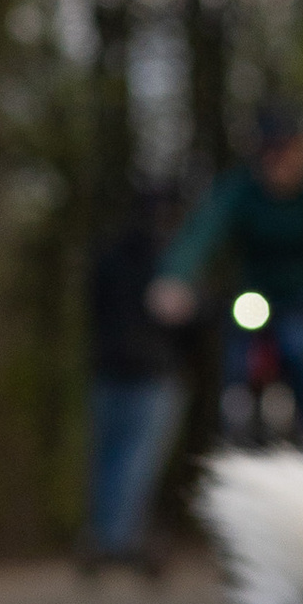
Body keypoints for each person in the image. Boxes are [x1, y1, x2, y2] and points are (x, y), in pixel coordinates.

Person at [149, 106, 303, 440]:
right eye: (270, 151)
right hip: (253, 299)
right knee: (235, 358)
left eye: (286, 149)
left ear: (302, 150)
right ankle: (232, 431)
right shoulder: (240, 188)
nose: (278, 160)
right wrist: (174, 278)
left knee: (298, 349)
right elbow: (203, 231)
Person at [79, 186, 189, 578]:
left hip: (107, 368)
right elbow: (187, 315)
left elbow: (92, 306)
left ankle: (104, 535)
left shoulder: (107, 254)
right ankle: (119, 541)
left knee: (108, 455)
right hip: (153, 372)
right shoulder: (171, 260)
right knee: (138, 458)